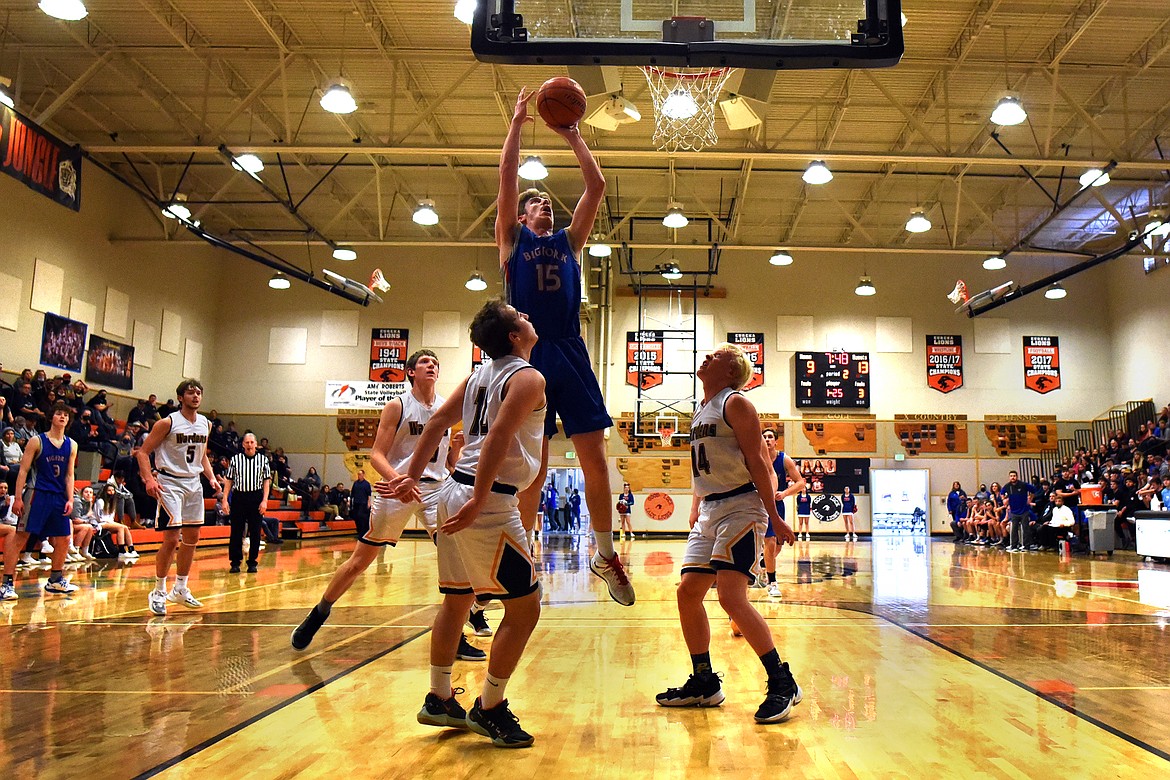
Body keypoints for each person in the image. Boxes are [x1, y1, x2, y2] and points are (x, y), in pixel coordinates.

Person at [496, 87, 633, 607]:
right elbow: (505, 179)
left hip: (570, 349)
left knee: (594, 457)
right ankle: (525, 549)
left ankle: (603, 552)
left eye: (549, 204)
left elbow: (595, 185)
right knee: (533, 462)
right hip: (528, 353)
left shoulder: (569, 244)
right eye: (537, 204)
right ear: (523, 216)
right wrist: (517, 124)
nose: (544, 208)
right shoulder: (513, 243)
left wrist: (573, 135)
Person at [389, 300, 545, 748]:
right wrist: (479, 496)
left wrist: (412, 476)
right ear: (515, 336)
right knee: (525, 609)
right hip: (487, 499)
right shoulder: (527, 376)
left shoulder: (479, 375)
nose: (529, 317)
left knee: (456, 601)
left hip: (450, 492)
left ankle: (439, 697)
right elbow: (498, 436)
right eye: (522, 316)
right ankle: (490, 707)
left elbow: (438, 420)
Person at [291, 350, 487, 663]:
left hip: (435, 489)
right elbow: (377, 455)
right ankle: (319, 612)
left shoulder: (446, 408)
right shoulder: (398, 405)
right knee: (360, 561)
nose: (432, 366)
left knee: (461, 557)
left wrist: (459, 454)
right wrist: (400, 480)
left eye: (435, 363)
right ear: (411, 372)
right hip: (397, 488)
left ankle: (458, 633)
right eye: (425, 363)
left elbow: (447, 461)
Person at [657, 344, 801, 724]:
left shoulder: (736, 403)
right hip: (710, 508)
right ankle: (704, 681)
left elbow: (758, 462)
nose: (707, 357)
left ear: (732, 369)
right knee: (688, 592)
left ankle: (782, 681)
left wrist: (774, 516)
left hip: (741, 506)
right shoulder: (701, 409)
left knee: (731, 597)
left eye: (717, 355)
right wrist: (695, 505)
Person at [136, 379, 219, 616]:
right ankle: (159, 590)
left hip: (194, 483)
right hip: (169, 482)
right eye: (191, 392)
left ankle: (180, 588)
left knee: (192, 537)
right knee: (172, 539)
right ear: (181, 397)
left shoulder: (206, 424)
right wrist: (149, 480)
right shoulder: (168, 423)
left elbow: (201, 455)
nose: (196, 396)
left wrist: (211, 477)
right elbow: (142, 453)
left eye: (199, 393)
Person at [1, 401, 79, 600]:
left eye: (66, 415)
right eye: (59, 413)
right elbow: (23, 471)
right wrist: (17, 498)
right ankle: (7, 583)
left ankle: (55, 580)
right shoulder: (37, 441)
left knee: (63, 539)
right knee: (21, 536)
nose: (62, 417)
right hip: (36, 494)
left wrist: (70, 498)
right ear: (51, 417)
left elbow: (70, 475)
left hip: (59, 496)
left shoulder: (72, 444)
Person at [761, 428, 806, 598]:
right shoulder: (755, 457)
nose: (767, 439)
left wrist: (785, 493)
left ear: (776, 441)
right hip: (761, 505)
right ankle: (772, 582)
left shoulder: (783, 459)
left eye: (770, 437)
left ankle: (762, 564)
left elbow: (801, 482)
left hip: (777, 504)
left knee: (777, 546)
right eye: (764, 437)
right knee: (770, 542)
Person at [222, 433, 272, 574]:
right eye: (247, 442)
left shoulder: (263, 460)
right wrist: (225, 499)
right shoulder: (236, 460)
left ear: (256, 444)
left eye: (252, 442)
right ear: (243, 444)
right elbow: (229, 480)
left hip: (256, 497)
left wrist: (265, 501)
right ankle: (235, 562)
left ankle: (252, 562)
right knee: (236, 531)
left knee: (255, 531)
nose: (249, 445)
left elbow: (266, 482)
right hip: (239, 497)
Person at [95, 482, 139, 561]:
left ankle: (131, 549)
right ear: (105, 492)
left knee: (125, 527)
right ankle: (121, 551)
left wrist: (112, 523)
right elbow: (98, 517)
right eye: (109, 491)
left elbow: (111, 517)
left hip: (109, 522)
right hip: (100, 523)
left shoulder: (112, 502)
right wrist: (111, 523)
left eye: (113, 490)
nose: (111, 492)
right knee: (120, 528)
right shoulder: (100, 502)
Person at [350, 470, 372, 539]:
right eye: (358, 474)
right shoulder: (355, 483)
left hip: (363, 503)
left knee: (361, 517)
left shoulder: (366, 484)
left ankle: (363, 533)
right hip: (356, 502)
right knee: (356, 517)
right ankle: (359, 532)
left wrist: (369, 502)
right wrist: (349, 501)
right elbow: (352, 493)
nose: (359, 475)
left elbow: (369, 494)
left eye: (360, 474)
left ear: (363, 475)